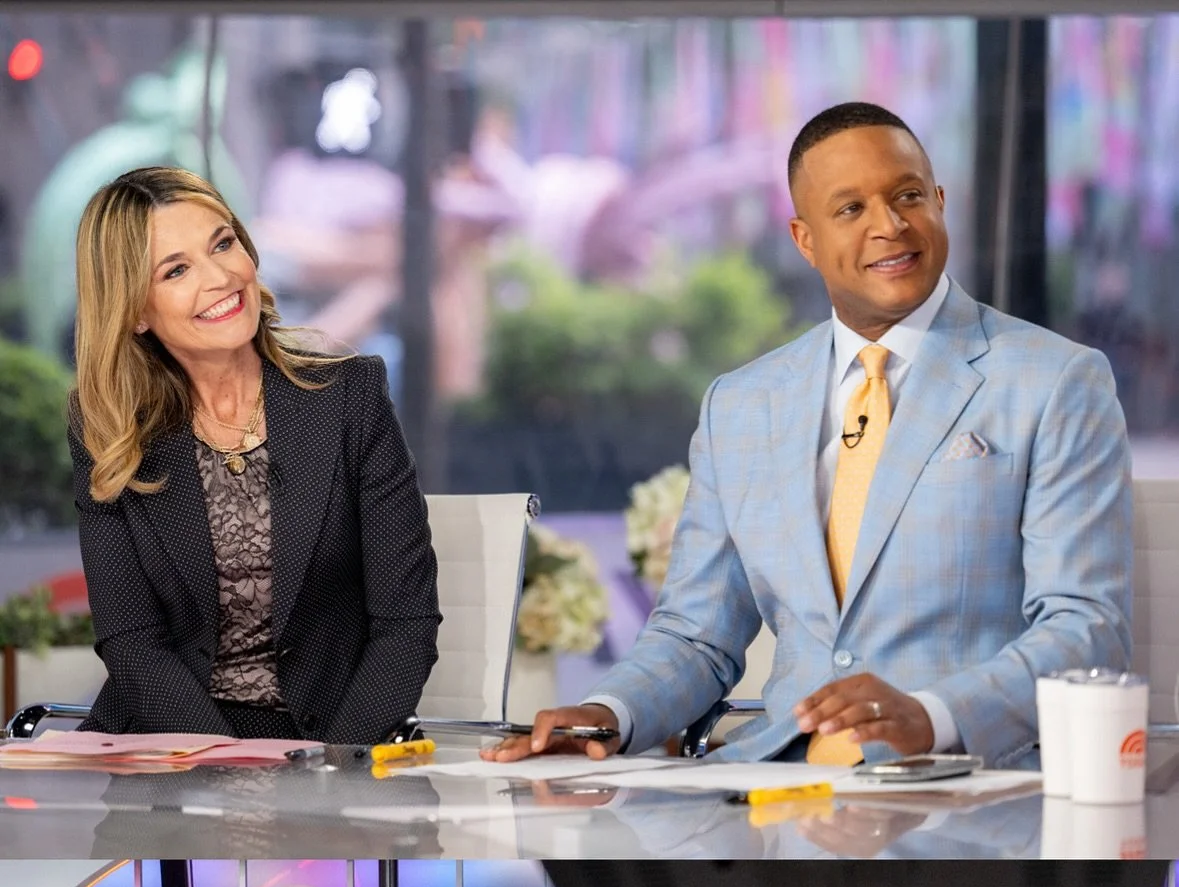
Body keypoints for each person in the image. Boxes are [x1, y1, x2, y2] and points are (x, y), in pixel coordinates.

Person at [484, 101, 1131, 770]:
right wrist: (609, 713)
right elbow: (696, 635)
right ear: (805, 239)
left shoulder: (1056, 381)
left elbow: (1087, 629)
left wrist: (933, 716)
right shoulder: (740, 405)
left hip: (964, 785)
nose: (889, 225)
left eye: (908, 196)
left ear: (939, 202)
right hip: (775, 788)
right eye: (850, 209)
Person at [70, 166, 440, 744]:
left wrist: (330, 771)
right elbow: (133, 642)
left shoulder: (349, 397)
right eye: (176, 270)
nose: (221, 277)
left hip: (328, 744)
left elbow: (405, 625)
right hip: (170, 746)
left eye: (223, 244)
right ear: (135, 310)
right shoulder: (109, 428)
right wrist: (219, 763)